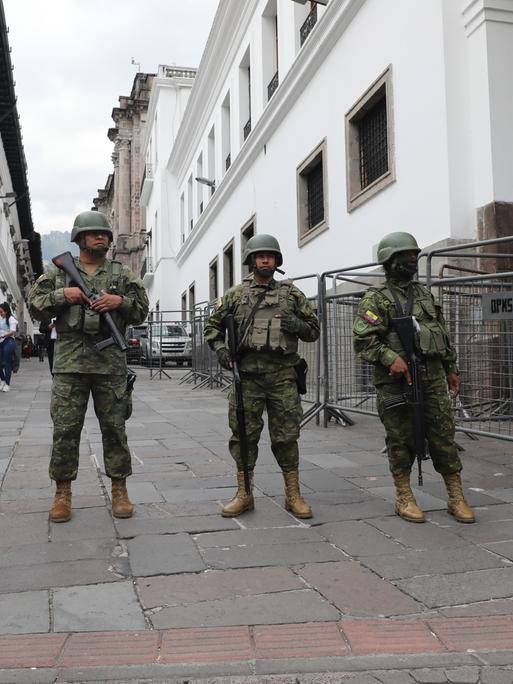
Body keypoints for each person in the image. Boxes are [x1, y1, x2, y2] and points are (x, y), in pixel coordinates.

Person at [28, 210, 149, 523]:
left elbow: (142, 310)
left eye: (105, 234)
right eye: (95, 233)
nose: (102, 238)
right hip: (70, 363)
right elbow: (35, 305)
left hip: (110, 365)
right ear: (80, 238)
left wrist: (119, 302)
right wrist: (63, 295)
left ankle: (119, 489)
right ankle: (62, 493)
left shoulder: (121, 274)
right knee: (66, 430)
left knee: (115, 429)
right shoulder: (58, 273)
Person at [353, 231, 475, 524]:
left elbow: (442, 333)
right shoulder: (376, 299)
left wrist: (451, 368)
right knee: (401, 438)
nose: (412, 259)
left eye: (413, 255)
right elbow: (363, 340)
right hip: (397, 382)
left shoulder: (424, 294)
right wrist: (389, 358)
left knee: (444, 434)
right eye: (405, 255)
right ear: (389, 260)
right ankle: (403, 496)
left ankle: (456, 496)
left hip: (431, 376)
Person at [204, 234, 320, 518]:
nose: (265, 259)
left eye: (270, 255)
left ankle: (293, 494)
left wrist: (293, 323)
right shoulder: (234, 295)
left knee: (287, 436)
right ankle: (244, 494)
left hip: (282, 377)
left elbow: (313, 330)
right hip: (248, 379)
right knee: (243, 436)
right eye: (260, 255)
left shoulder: (292, 295)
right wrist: (222, 352)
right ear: (251, 260)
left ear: (277, 261)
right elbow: (212, 328)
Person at [0, 302, 18, 392]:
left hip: (9, 341)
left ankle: (7, 384)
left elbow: (13, 332)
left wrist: (3, 336)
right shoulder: (0, 319)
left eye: (1, 312)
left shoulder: (11, 319)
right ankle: (2, 380)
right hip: (1, 342)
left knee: (7, 363)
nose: (0, 313)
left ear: (6, 311)